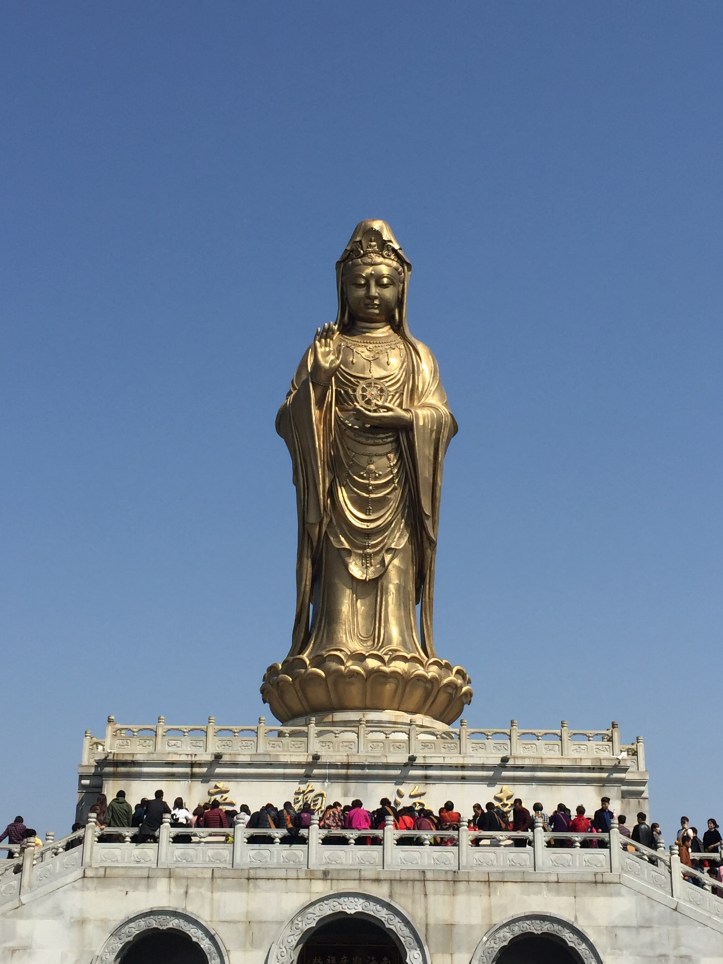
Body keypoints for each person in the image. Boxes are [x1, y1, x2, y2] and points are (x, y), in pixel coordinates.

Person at [269, 221, 462, 720]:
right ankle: (330, 646)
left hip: (399, 489)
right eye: (361, 282)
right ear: (342, 286)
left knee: (396, 588)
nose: (372, 293)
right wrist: (318, 380)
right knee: (336, 595)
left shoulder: (415, 355)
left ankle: (400, 649)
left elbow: (441, 418)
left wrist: (402, 417)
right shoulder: (325, 349)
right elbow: (289, 418)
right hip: (337, 491)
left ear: (401, 288)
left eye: (383, 282)